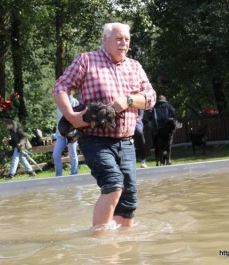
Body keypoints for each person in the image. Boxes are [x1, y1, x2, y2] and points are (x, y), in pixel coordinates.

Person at [52, 22, 156, 231]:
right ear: (105, 40)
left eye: (127, 39)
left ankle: (123, 248)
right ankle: (100, 245)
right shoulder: (87, 60)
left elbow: (150, 97)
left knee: (129, 200)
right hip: (95, 139)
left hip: (126, 141)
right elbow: (60, 87)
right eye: (119, 39)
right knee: (113, 184)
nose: (123, 43)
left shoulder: (134, 66)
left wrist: (127, 100)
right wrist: (71, 116)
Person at [53, 94, 80, 177]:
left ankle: (74, 173)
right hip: (60, 133)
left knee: (72, 153)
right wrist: (59, 132)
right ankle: (58, 175)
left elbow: (77, 117)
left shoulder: (75, 102)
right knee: (56, 154)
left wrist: (76, 134)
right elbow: (58, 119)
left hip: (72, 132)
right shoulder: (59, 102)